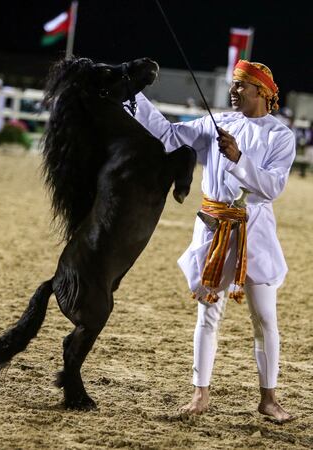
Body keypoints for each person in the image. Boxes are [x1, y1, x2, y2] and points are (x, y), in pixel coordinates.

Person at [133, 60, 296, 422]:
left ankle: (268, 399)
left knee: (265, 319)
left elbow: (272, 187)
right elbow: (169, 135)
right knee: (207, 315)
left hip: (254, 232)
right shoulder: (216, 123)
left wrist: (238, 158)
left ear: (263, 92)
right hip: (211, 229)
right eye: (233, 85)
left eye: (241, 86)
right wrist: (134, 96)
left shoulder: (280, 136)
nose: (234, 91)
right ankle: (199, 393)